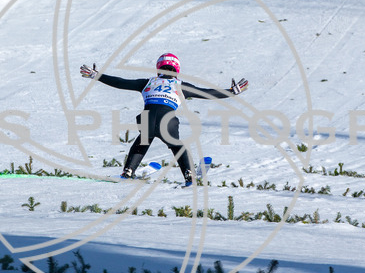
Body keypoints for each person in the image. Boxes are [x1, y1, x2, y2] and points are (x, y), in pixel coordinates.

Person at [80, 53, 248, 186]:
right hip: (167, 121)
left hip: (146, 118)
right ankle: (189, 175)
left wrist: (96, 75)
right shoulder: (181, 86)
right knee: (177, 146)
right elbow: (207, 93)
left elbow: (120, 82)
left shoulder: (147, 82)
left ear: (158, 68)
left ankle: (128, 171)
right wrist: (231, 91)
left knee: (143, 140)